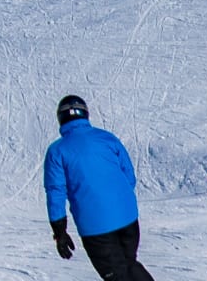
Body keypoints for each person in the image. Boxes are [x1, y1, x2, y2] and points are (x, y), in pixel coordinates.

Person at [44, 94, 157, 281]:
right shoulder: (107, 138)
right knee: (129, 264)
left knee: (118, 276)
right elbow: (128, 176)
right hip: (128, 219)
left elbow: (55, 191)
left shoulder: (57, 150)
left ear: (61, 118)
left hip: (96, 227)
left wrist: (59, 231)